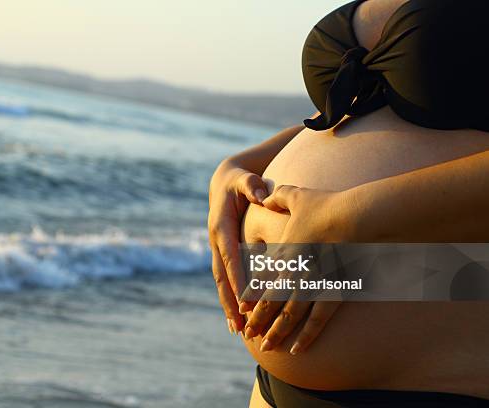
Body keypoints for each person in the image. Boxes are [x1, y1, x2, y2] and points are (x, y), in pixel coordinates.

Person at [207, 0, 489, 406]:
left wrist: (355, 215)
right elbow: (361, 112)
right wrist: (237, 166)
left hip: (437, 375)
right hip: (280, 382)